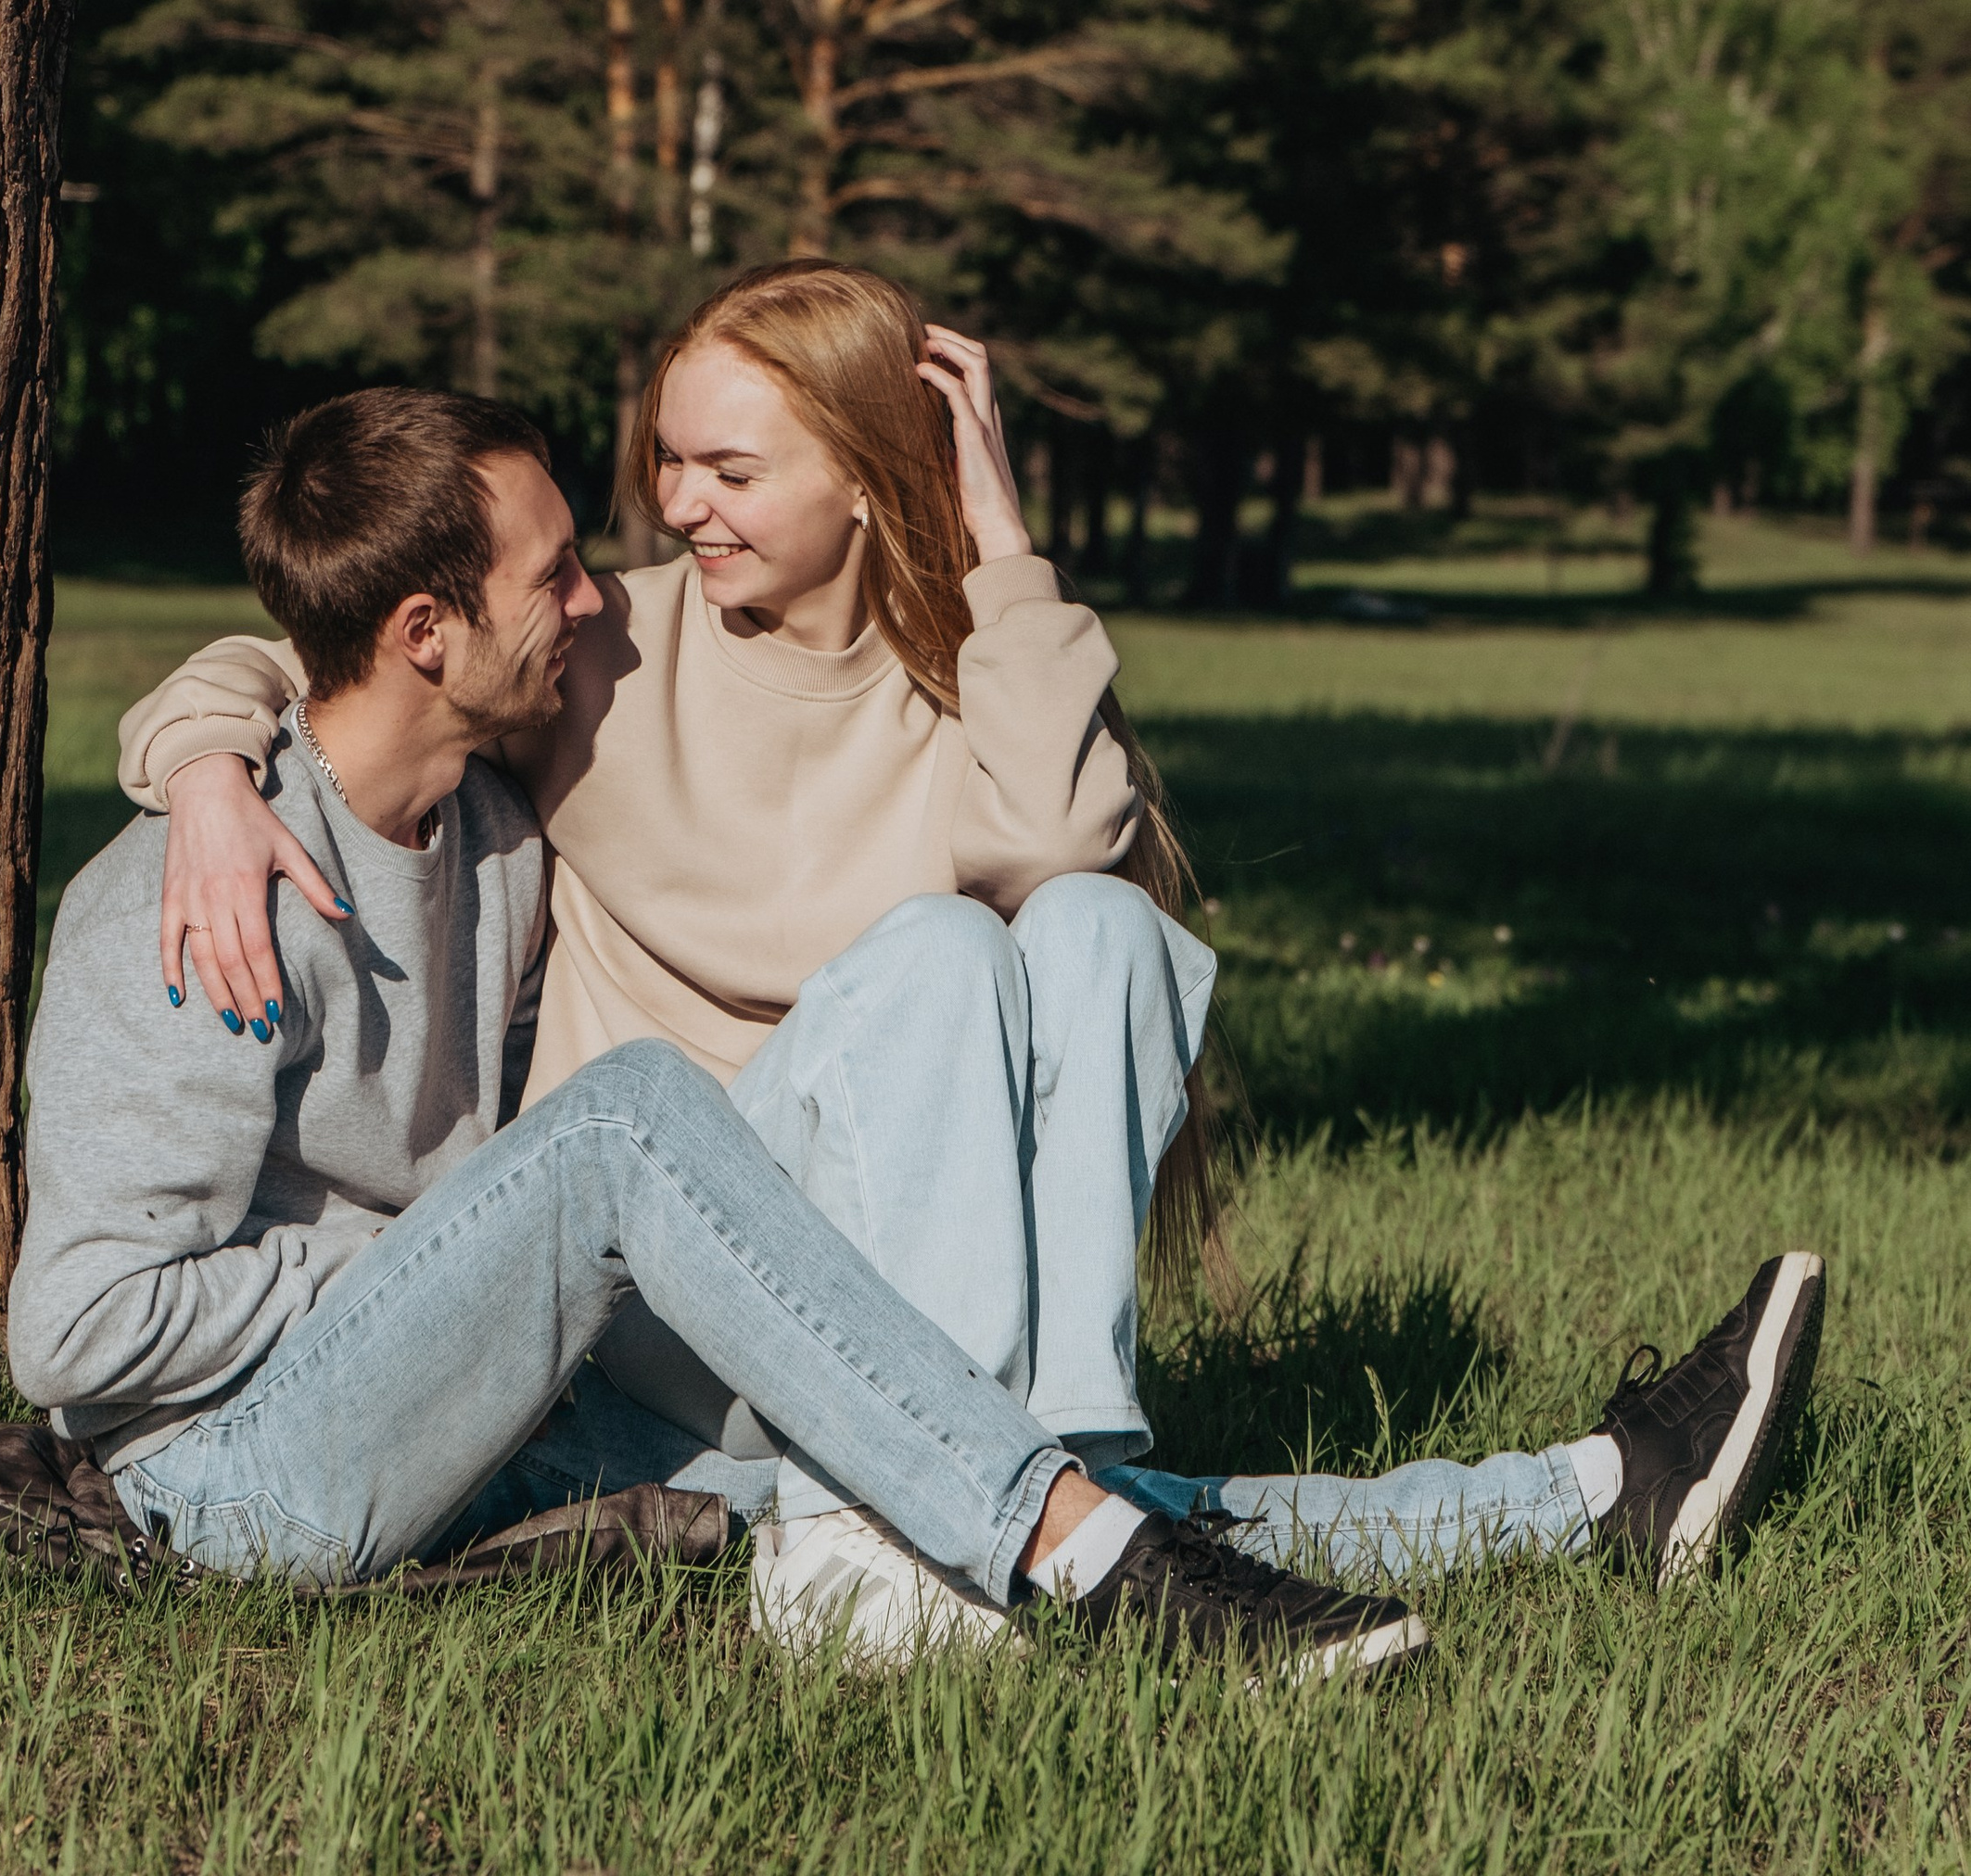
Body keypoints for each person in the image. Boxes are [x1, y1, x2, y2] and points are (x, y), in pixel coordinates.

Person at [113, 273, 1827, 1656]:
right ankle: (1039, 1511)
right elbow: (342, 648)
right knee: (939, 948)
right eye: (670, 462)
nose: (678, 506)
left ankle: (1510, 1491)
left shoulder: (968, 685)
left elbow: (1071, 846)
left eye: (730, 469)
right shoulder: (592, 644)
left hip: (899, 1304)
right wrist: (200, 771)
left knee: (1088, 920)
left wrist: (1001, 541)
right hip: (659, 1272)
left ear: (869, 477)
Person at [15, 383, 1431, 1688]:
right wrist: (428, 1259)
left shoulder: (496, 839)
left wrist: (480, 1283)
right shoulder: (193, 900)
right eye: (554, 572)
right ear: (428, 636)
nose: (593, 598)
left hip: (492, 1409)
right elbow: (77, 1333)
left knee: (877, 1454)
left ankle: (1547, 1500)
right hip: (240, 1480)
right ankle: (1092, 1557)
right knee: (627, 1119)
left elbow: (301, 656)